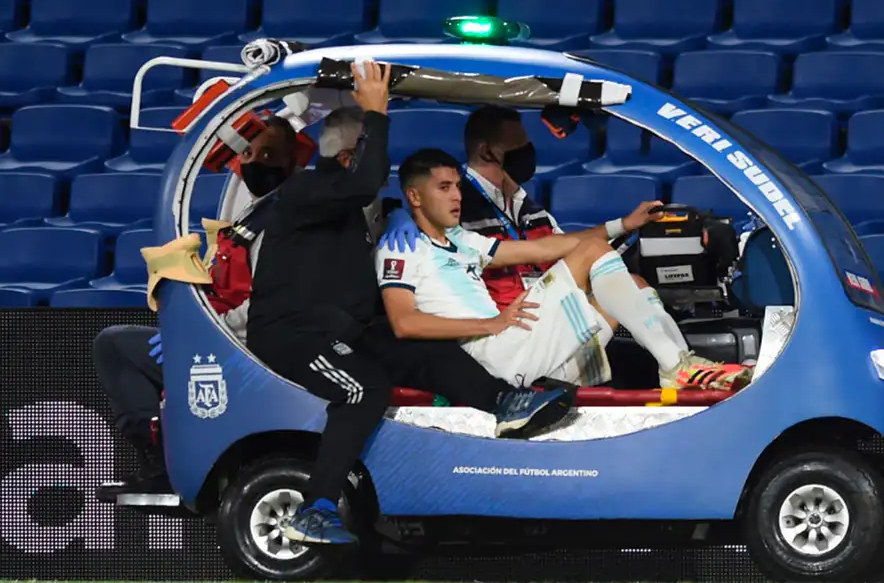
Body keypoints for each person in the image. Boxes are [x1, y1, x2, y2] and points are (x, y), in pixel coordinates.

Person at [246, 62, 575, 546]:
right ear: (346, 159)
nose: (379, 170)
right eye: (367, 155)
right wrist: (376, 112)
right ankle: (314, 509)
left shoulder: (357, 210)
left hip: (344, 329)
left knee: (425, 348)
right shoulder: (305, 191)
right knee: (363, 389)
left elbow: (371, 202)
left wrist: (402, 214)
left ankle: (505, 401)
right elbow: (361, 183)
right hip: (295, 334)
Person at [376, 148, 754, 391]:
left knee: (632, 286)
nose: (457, 196)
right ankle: (676, 367)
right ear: (414, 196)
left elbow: (541, 248)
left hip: (511, 341)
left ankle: (679, 362)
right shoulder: (400, 248)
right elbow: (404, 323)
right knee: (594, 253)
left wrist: (623, 225)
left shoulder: (459, 238)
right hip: (490, 353)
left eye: (458, 186)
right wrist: (488, 325)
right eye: (444, 188)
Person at [94, 115, 297, 497]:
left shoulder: (283, 221)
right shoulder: (253, 212)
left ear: (291, 161)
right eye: (249, 153)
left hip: (245, 348)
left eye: (269, 153)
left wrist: (206, 332)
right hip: (226, 335)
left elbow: (271, 306)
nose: (255, 162)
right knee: (118, 343)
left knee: (115, 345)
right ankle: (165, 455)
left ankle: (166, 460)